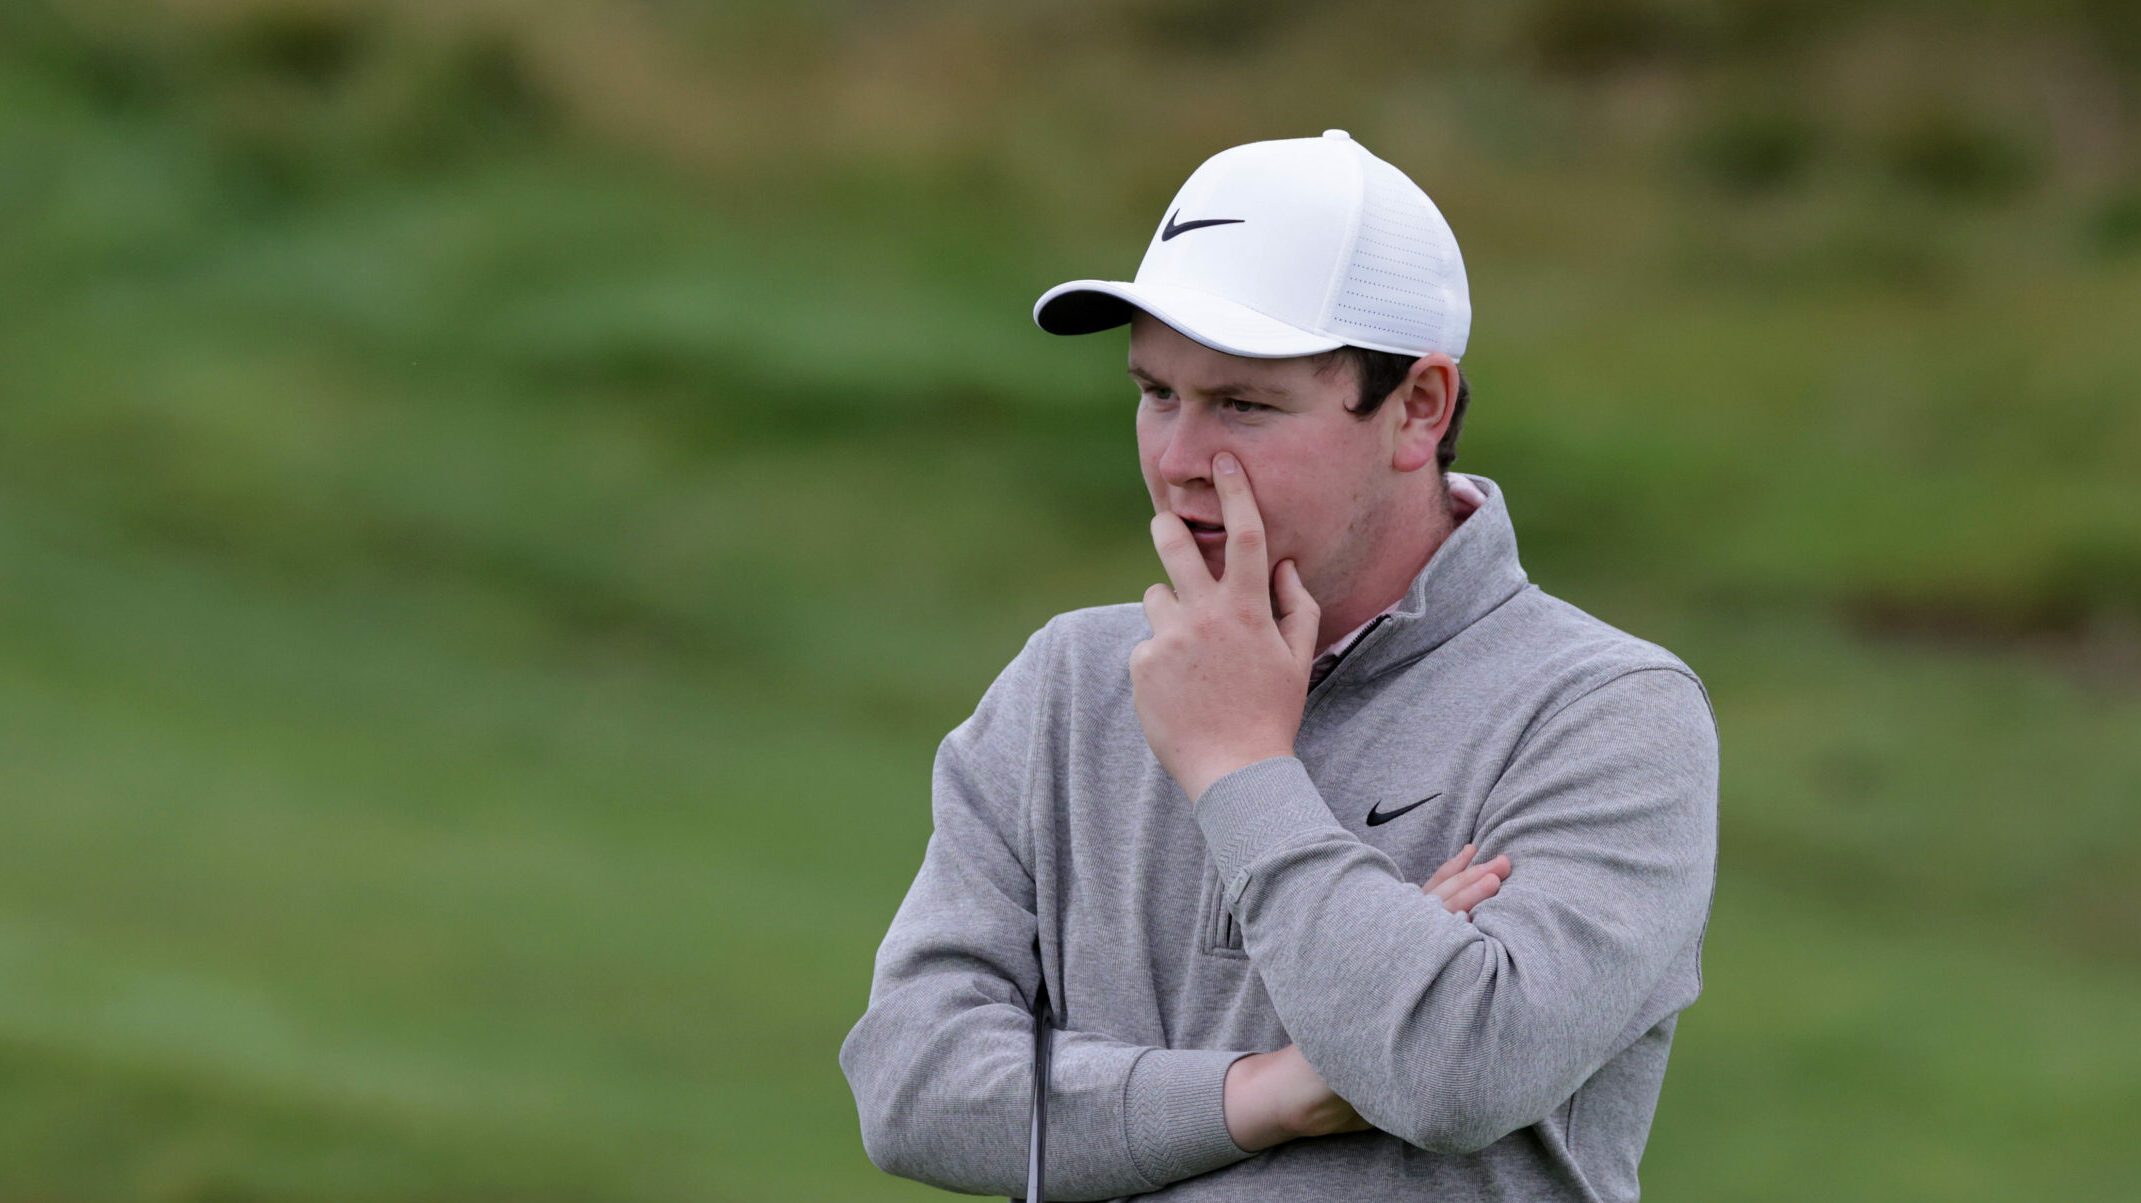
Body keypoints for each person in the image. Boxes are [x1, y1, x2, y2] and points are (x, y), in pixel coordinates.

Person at [838, 130, 1719, 1201]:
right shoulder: (1070, 680)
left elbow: (1452, 1071)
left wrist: (1237, 766)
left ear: (1417, 408)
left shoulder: (1605, 712)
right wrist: (1272, 1091)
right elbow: (912, 1087)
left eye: (1242, 405)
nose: (1172, 460)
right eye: (1156, 393)